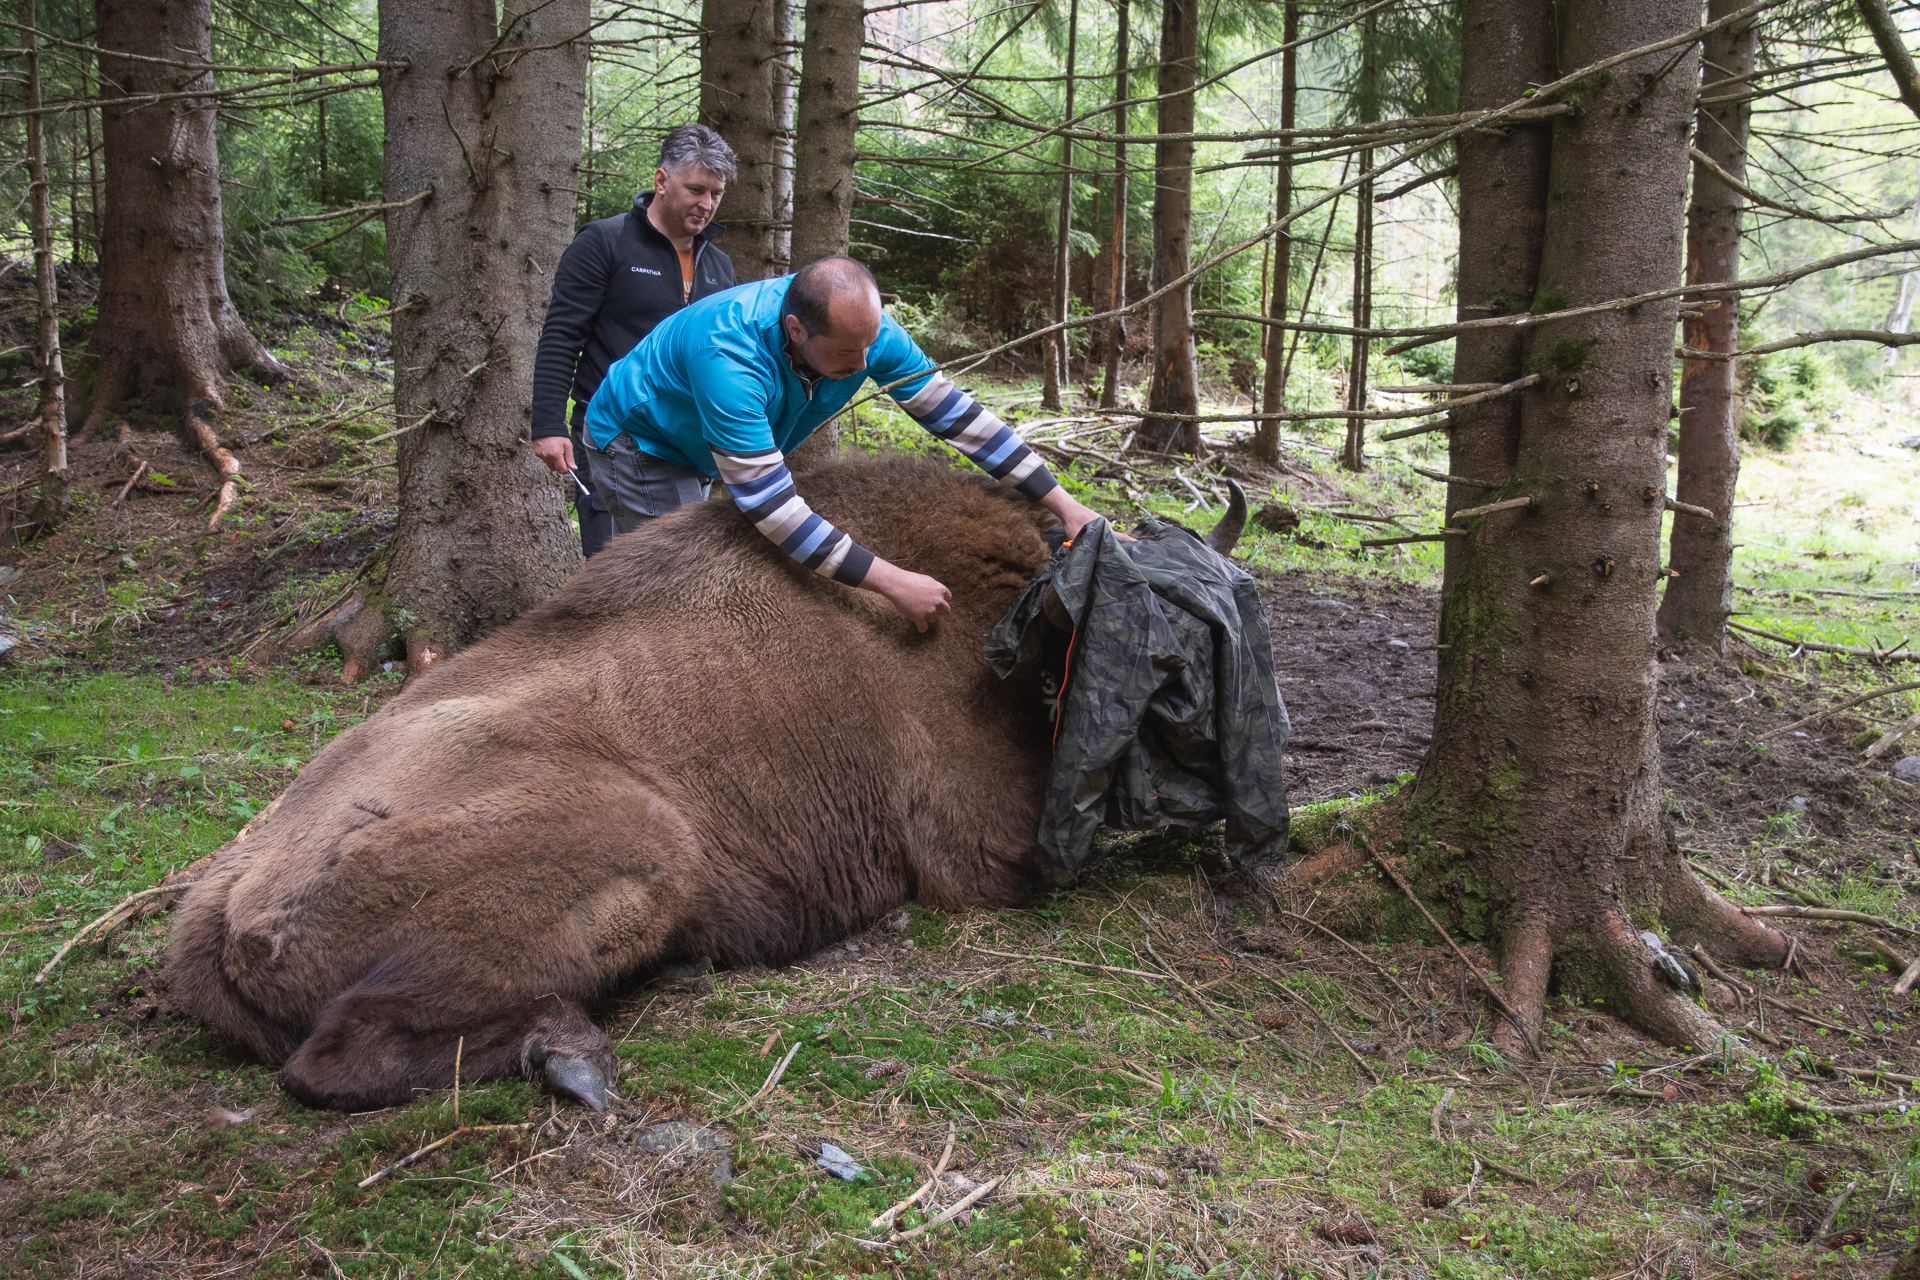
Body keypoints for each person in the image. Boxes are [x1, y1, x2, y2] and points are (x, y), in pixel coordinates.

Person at [583, 256, 1111, 631]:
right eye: (844, 355)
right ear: (796, 329)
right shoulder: (728, 358)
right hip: (642, 440)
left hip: (700, 441)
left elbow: (956, 415)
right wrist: (891, 582)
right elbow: (770, 505)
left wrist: (1065, 506)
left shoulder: (860, 330)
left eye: (869, 346)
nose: (862, 366)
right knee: (679, 588)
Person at [530, 124, 739, 557]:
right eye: (695, 189)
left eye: (716, 194)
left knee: (678, 570)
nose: (706, 204)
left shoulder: (719, 266)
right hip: (611, 436)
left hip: (688, 442)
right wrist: (548, 425)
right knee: (615, 572)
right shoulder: (605, 242)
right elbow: (562, 335)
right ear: (662, 180)